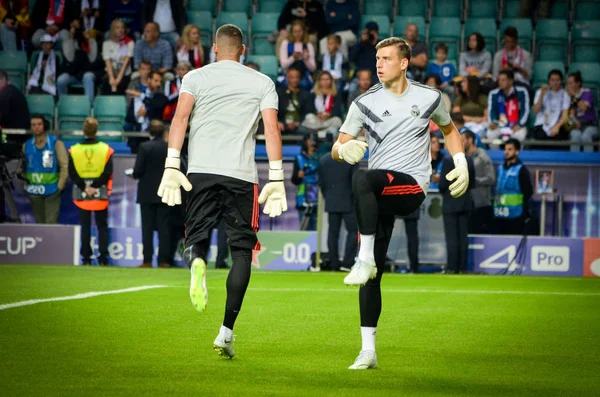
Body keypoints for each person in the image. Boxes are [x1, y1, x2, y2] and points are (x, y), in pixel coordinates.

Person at [331, 37, 470, 370]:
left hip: (411, 188)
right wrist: (341, 151)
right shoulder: (364, 102)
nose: (378, 64)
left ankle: (362, 258)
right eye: (376, 58)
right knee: (371, 278)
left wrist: (461, 161)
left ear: (404, 63)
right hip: (380, 194)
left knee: (363, 179)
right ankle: (368, 351)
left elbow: (450, 130)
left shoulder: (429, 96)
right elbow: (340, 144)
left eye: (386, 58)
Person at [156, 24, 286, 359]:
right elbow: (271, 128)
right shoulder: (262, 82)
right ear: (242, 50)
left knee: (196, 236)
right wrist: (276, 177)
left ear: (215, 48)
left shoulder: (195, 77)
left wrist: (172, 163)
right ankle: (226, 332)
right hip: (241, 175)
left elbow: (180, 119)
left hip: (200, 170)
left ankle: (197, 260)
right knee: (242, 252)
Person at [68, 117, 114, 266]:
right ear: (96, 130)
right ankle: (103, 257)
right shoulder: (105, 149)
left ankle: (86, 258)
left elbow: (72, 172)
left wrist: (85, 187)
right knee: (102, 225)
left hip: (82, 192)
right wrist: (95, 186)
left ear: (83, 130)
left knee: (85, 226)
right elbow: (108, 172)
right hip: (99, 191)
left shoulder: (74, 150)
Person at [132, 120, 172, 268]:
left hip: (147, 193)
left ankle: (147, 260)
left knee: (147, 228)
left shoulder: (144, 147)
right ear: (162, 132)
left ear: (149, 131)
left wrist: (134, 175)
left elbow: (138, 171)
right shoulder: (169, 148)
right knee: (164, 228)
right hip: (165, 192)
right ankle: (163, 261)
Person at [20, 115, 68, 224]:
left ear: (44, 125)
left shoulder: (55, 143)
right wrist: (25, 185)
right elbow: (22, 167)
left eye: (39, 124)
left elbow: (65, 166)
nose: (36, 127)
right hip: (33, 191)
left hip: (52, 190)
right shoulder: (26, 145)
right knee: (39, 224)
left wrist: (60, 186)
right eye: (33, 125)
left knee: (51, 224)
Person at [319, 149, 358, 271]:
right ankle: (347, 263)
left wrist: (328, 197)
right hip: (349, 201)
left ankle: (334, 264)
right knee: (353, 231)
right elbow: (355, 181)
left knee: (333, 233)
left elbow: (321, 183)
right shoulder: (351, 158)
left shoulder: (324, 160)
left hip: (332, 201)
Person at [493, 138, 533, 235]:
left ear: (517, 152)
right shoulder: (500, 168)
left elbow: (528, 192)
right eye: (505, 149)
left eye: (510, 149)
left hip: (515, 215)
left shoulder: (521, 170)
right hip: (499, 213)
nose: (506, 152)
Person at [57, 18, 101, 105]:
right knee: (61, 80)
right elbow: (70, 58)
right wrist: (71, 38)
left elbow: (92, 59)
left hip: (88, 72)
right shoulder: (69, 41)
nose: (76, 29)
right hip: (73, 74)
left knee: (87, 76)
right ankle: (63, 105)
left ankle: (89, 106)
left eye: (78, 27)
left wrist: (88, 40)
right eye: (73, 26)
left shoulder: (91, 41)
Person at [462, 129, 495, 234]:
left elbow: (491, 178)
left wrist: (473, 181)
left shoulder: (483, 157)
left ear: (470, 140)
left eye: (462, 140)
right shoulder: (464, 158)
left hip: (482, 206)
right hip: (469, 205)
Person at [487, 70, 530, 144]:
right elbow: (491, 111)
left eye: (503, 80)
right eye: (499, 80)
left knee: (519, 135)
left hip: (516, 124)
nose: (500, 82)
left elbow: (525, 110)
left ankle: (516, 154)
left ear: (511, 81)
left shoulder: (521, 92)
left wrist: (520, 124)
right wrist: (493, 123)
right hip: (499, 124)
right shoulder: (493, 93)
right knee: (490, 134)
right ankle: (495, 155)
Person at [531, 69, 570, 143]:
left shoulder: (565, 95)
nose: (555, 83)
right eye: (552, 80)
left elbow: (565, 116)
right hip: (541, 124)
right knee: (540, 136)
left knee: (559, 137)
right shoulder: (540, 92)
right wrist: (542, 95)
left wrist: (557, 127)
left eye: (557, 80)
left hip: (558, 124)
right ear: (549, 81)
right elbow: (536, 110)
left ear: (561, 81)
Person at [291, 133, 319, 230]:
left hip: (318, 198)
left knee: (317, 229)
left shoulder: (321, 156)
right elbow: (294, 180)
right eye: (309, 140)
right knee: (304, 229)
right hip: (303, 198)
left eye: (313, 139)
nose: (311, 142)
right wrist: (299, 176)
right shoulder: (299, 157)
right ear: (305, 141)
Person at [302, 70, 343, 136]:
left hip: (329, 120)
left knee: (337, 120)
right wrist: (317, 114)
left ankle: (320, 132)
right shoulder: (313, 94)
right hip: (317, 120)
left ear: (331, 81)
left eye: (327, 79)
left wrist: (329, 114)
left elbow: (337, 110)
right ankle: (323, 132)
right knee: (309, 117)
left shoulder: (336, 95)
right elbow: (309, 109)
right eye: (323, 79)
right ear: (319, 81)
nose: (325, 82)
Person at [278, 20, 316, 90]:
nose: (298, 34)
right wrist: (293, 57)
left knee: (304, 84)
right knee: (284, 85)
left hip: (303, 74)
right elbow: (283, 65)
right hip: (289, 74)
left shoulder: (308, 45)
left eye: (300, 31)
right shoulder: (286, 43)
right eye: (295, 32)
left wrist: (306, 59)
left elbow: (313, 68)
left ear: (303, 32)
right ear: (291, 32)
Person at [565, 71, 598, 152]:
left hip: (590, 125)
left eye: (571, 83)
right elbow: (571, 113)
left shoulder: (586, 92)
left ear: (578, 83)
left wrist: (575, 96)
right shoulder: (567, 96)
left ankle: (589, 162)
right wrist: (575, 122)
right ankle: (574, 162)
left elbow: (584, 108)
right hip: (576, 126)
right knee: (575, 135)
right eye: (567, 83)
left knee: (586, 136)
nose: (569, 86)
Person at [101, 18, 135, 95]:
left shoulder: (130, 43)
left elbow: (126, 63)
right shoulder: (106, 44)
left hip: (124, 73)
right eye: (117, 27)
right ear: (112, 29)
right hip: (110, 73)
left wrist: (118, 79)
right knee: (106, 82)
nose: (121, 30)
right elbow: (107, 62)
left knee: (121, 84)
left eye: (122, 27)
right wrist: (112, 78)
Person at [277, 67, 311, 135]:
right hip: (282, 124)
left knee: (306, 131)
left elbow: (307, 113)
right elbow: (274, 111)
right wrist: (278, 122)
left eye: (297, 77)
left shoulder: (306, 94)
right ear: (287, 79)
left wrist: (297, 123)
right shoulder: (279, 93)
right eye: (292, 77)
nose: (295, 80)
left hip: (299, 125)